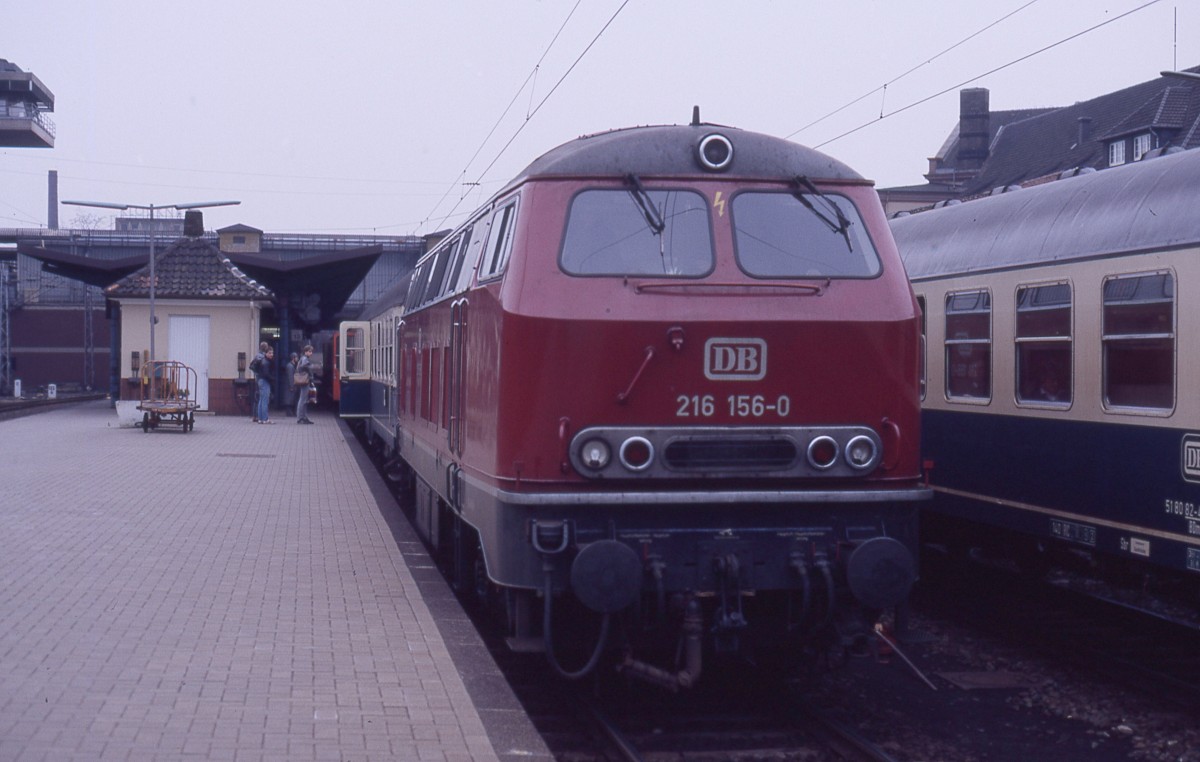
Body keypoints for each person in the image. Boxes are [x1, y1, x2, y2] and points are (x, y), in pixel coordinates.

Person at [295, 344, 316, 424]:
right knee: (303, 400)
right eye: (310, 351)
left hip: (304, 380)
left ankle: (303, 417)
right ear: (305, 352)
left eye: (311, 352)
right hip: (305, 380)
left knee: (304, 399)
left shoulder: (302, 358)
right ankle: (300, 418)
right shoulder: (305, 359)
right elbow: (304, 366)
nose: (311, 353)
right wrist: (311, 366)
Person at [255, 346, 276, 424]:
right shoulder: (266, 362)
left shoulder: (262, 361)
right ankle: (265, 419)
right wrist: (273, 378)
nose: (271, 354)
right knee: (265, 401)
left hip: (260, 381)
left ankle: (260, 418)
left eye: (272, 353)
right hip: (265, 382)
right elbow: (266, 374)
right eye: (270, 353)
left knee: (261, 400)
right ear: (266, 353)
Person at [250, 341, 269, 422]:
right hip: (261, 379)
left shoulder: (257, 356)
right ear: (265, 348)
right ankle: (258, 416)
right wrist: (259, 373)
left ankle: (255, 416)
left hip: (257, 378)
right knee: (260, 398)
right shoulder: (262, 357)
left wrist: (256, 373)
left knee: (257, 397)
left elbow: (251, 366)